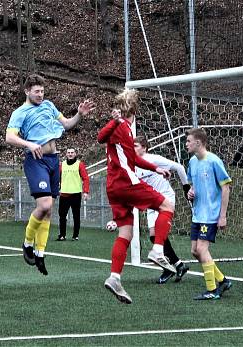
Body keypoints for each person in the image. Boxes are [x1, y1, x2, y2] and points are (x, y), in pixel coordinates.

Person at [5, 73, 95, 275]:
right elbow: (9, 136)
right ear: (27, 91)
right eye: (36, 91)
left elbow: (67, 125)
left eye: (42, 91)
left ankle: (40, 253)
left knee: (48, 210)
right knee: (44, 205)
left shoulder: (49, 106)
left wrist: (79, 114)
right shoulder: (20, 112)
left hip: (54, 161)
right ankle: (28, 243)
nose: (40, 94)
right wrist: (28, 143)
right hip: (36, 161)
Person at [97, 89, 176, 304]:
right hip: (126, 182)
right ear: (134, 111)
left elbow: (133, 158)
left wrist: (155, 168)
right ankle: (158, 250)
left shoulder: (125, 129)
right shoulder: (121, 126)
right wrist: (114, 122)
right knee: (167, 206)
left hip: (113, 187)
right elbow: (101, 137)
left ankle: (115, 277)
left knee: (125, 233)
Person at [133, 137, 191, 284]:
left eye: (136, 146)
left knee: (157, 235)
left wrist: (186, 188)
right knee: (154, 237)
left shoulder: (154, 159)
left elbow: (179, 167)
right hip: (152, 201)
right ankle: (177, 265)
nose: (133, 148)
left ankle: (170, 267)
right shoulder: (133, 164)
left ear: (144, 147)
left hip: (165, 199)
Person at [186, 128, 234, 300]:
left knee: (201, 249)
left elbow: (226, 187)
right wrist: (190, 192)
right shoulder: (192, 162)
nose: (186, 145)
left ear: (198, 143)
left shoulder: (214, 161)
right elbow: (192, 186)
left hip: (211, 215)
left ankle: (212, 290)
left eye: (189, 141)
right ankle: (222, 281)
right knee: (195, 251)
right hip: (198, 214)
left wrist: (222, 215)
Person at [56, 147, 89, 241]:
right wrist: (57, 189)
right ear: (66, 154)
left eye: (72, 152)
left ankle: (75, 235)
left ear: (75, 154)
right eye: (68, 152)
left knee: (76, 216)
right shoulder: (62, 165)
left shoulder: (80, 164)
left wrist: (86, 192)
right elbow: (57, 178)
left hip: (76, 194)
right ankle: (62, 235)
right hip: (64, 194)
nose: (70, 154)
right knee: (62, 216)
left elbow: (86, 178)